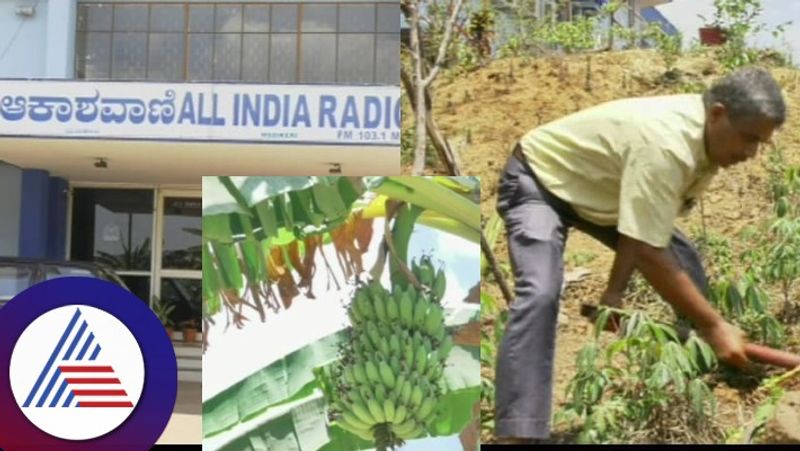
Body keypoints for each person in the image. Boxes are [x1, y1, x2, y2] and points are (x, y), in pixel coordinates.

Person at [493, 66, 786, 443]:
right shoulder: (667, 144)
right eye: (747, 139)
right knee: (541, 292)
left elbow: (643, 227)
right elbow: (647, 248)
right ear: (717, 113)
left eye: (759, 144)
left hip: (603, 194)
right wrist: (714, 324)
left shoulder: (709, 140)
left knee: (684, 262)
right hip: (541, 180)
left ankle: (702, 369)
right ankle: (519, 432)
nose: (750, 153)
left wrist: (613, 294)